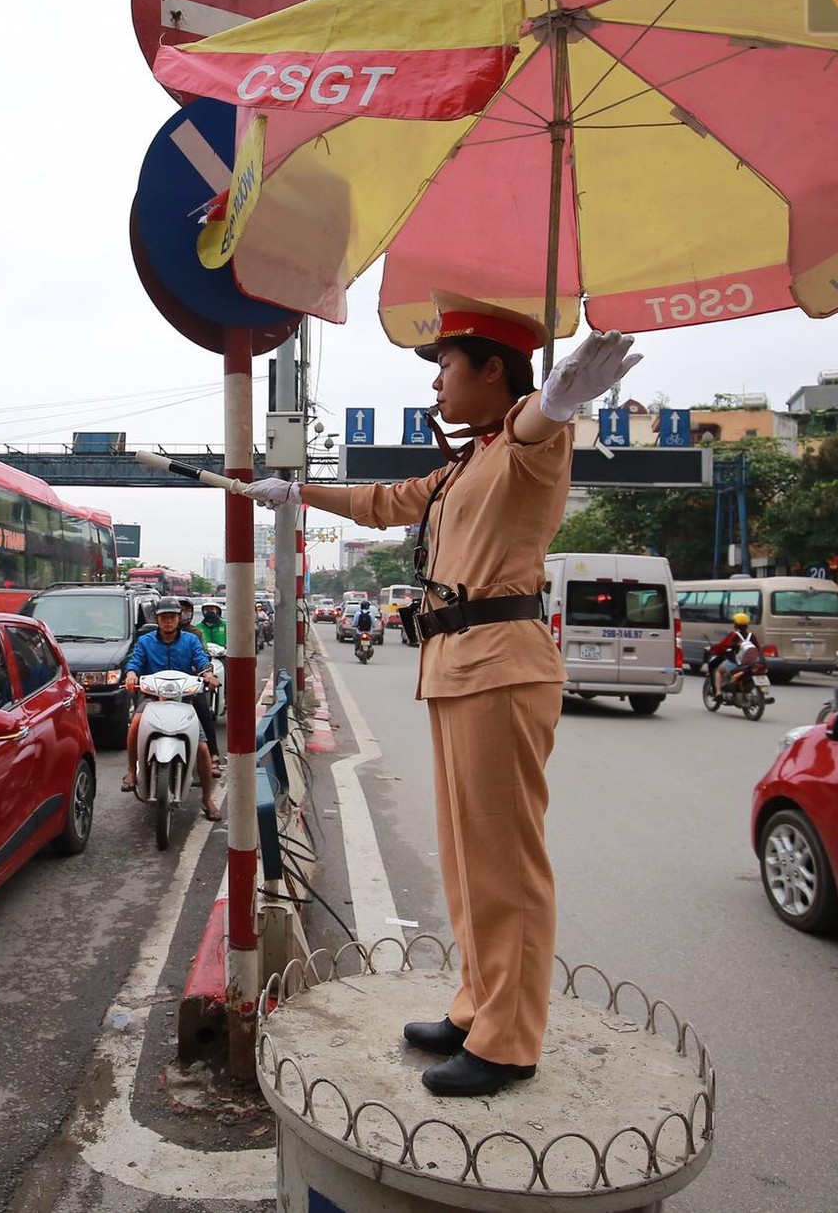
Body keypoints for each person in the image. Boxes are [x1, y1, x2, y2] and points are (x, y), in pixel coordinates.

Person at [242, 290, 642, 1098]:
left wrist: (560, 397)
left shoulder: (529, 440)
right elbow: (386, 503)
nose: (435, 387)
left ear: (493, 372)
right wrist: (295, 494)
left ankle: (510, 1038)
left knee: (506, 865)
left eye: (447, 369)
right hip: (460, 666)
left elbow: (540, 421)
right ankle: (476, 1005)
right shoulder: (471, 459)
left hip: (501, 663)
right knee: (465, 860)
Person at [120, 597, 221, 819]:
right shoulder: (146, 641)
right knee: (135, 723)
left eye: (172, 617)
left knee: (203, 749)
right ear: (157, 619)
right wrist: (130, 674)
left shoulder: (190, 640)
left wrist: (208, 674)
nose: (168, 621)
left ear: (180, 619)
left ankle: (206, 798)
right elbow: (135, 662)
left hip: (183, 700)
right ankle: (130, 770)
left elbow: (202, 660)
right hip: (152, 698)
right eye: (164, 617)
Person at [706, 612, 758, 699]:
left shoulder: (733, 635)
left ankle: (718, 693)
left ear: (736, 624)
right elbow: (757, 648)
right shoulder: (752, 635)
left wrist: (711, 649)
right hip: (751, 664)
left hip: (737, 664)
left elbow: (722, 646)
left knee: (719, 671)